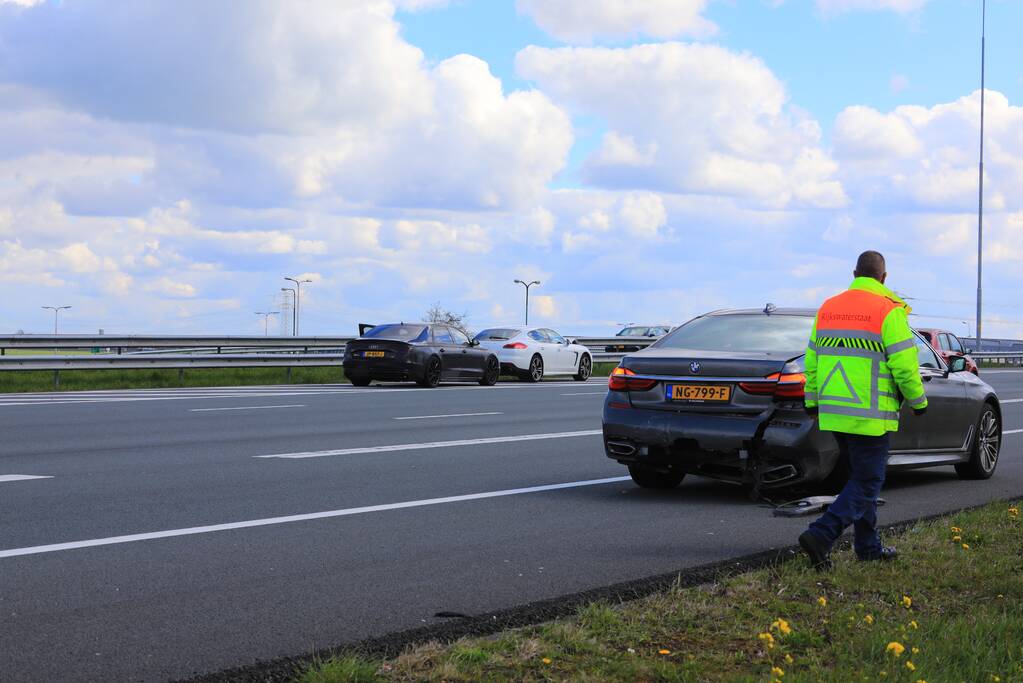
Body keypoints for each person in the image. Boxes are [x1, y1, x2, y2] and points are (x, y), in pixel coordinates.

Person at [798, 250, 927, 569]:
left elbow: (811, 360)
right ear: (883, 278)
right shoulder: (889, 310)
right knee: (868, 482)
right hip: (869, 415)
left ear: (854, 272)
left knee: (859, 478)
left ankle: (868, 547)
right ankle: (821, 534)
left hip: (833, 412)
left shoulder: (828, 307)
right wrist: (918, 401)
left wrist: (812, 400)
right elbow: (905, 365)